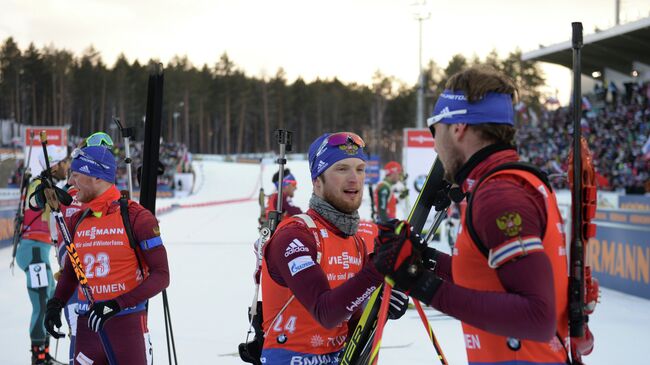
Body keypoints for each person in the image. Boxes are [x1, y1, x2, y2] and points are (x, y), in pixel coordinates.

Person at [373, 66, 584, 364]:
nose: (434, 142)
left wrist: (418, 282)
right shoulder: (505, 184)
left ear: (458, 128)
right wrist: (427, 259)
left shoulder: (499, 195)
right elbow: (490, 280)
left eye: (435, 128)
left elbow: (537, 317)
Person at [259, 132, 407, 365]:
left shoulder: (356, 239)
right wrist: (378, 268)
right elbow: (326, 313)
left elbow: (349, 316)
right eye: (341, 169)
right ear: (317, 181)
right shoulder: (295, 236)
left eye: (359, 169)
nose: (354, 179)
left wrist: (380, 307)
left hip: (341, 357)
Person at [44, 144, 170, 365]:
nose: (71, 183)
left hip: (126, 326)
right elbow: (74, 270)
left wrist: (118, 303)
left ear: (97, 177)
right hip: (87, 327)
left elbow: (162, 276)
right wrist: (56, 303)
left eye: (75, 175)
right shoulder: (77, 220)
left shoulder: (136, 217)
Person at [16, 145, 69, 365]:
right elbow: (36, 201)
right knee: (40, 304)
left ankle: (43, 353)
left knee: (48, 302)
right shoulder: (38, 184)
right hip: (34, 251)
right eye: (63, 162)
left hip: (40, 250)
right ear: (54, 164)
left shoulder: (47, 184)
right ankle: (37, 357)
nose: (66, 166)